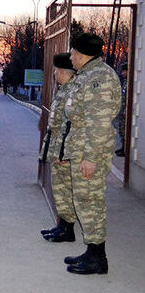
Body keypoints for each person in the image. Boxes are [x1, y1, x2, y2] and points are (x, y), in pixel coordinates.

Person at [60, 33, 121, 275]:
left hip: (90, 149)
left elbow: (99, 122)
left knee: (91, 202)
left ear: (82, 54)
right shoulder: (88, 75)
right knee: (85, 201)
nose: (71, 57)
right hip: (83, 145)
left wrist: (90, 158)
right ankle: (92, 251)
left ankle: (98, 258)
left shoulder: (99, 78)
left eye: (73, 52)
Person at [39, 53, 77, 244]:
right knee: (59, 189)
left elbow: (70, 125)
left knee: (64, 189)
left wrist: (63, 152)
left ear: (62, 71)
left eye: (55, 70)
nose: (54, 74)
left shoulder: (73, 91)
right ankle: (63, 227)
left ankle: (67, 229)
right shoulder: (63, 90)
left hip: (64, 150)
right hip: (56, 147)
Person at [115, 63, 128, 157]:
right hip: (122, 110)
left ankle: (125, 149)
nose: (122, 73)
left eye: (124, 71)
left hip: (125, 112)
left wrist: (125, 111)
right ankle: (123, 148)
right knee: (121, 130)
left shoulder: (130, 84)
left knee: (125, 130)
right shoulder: (125, 82)